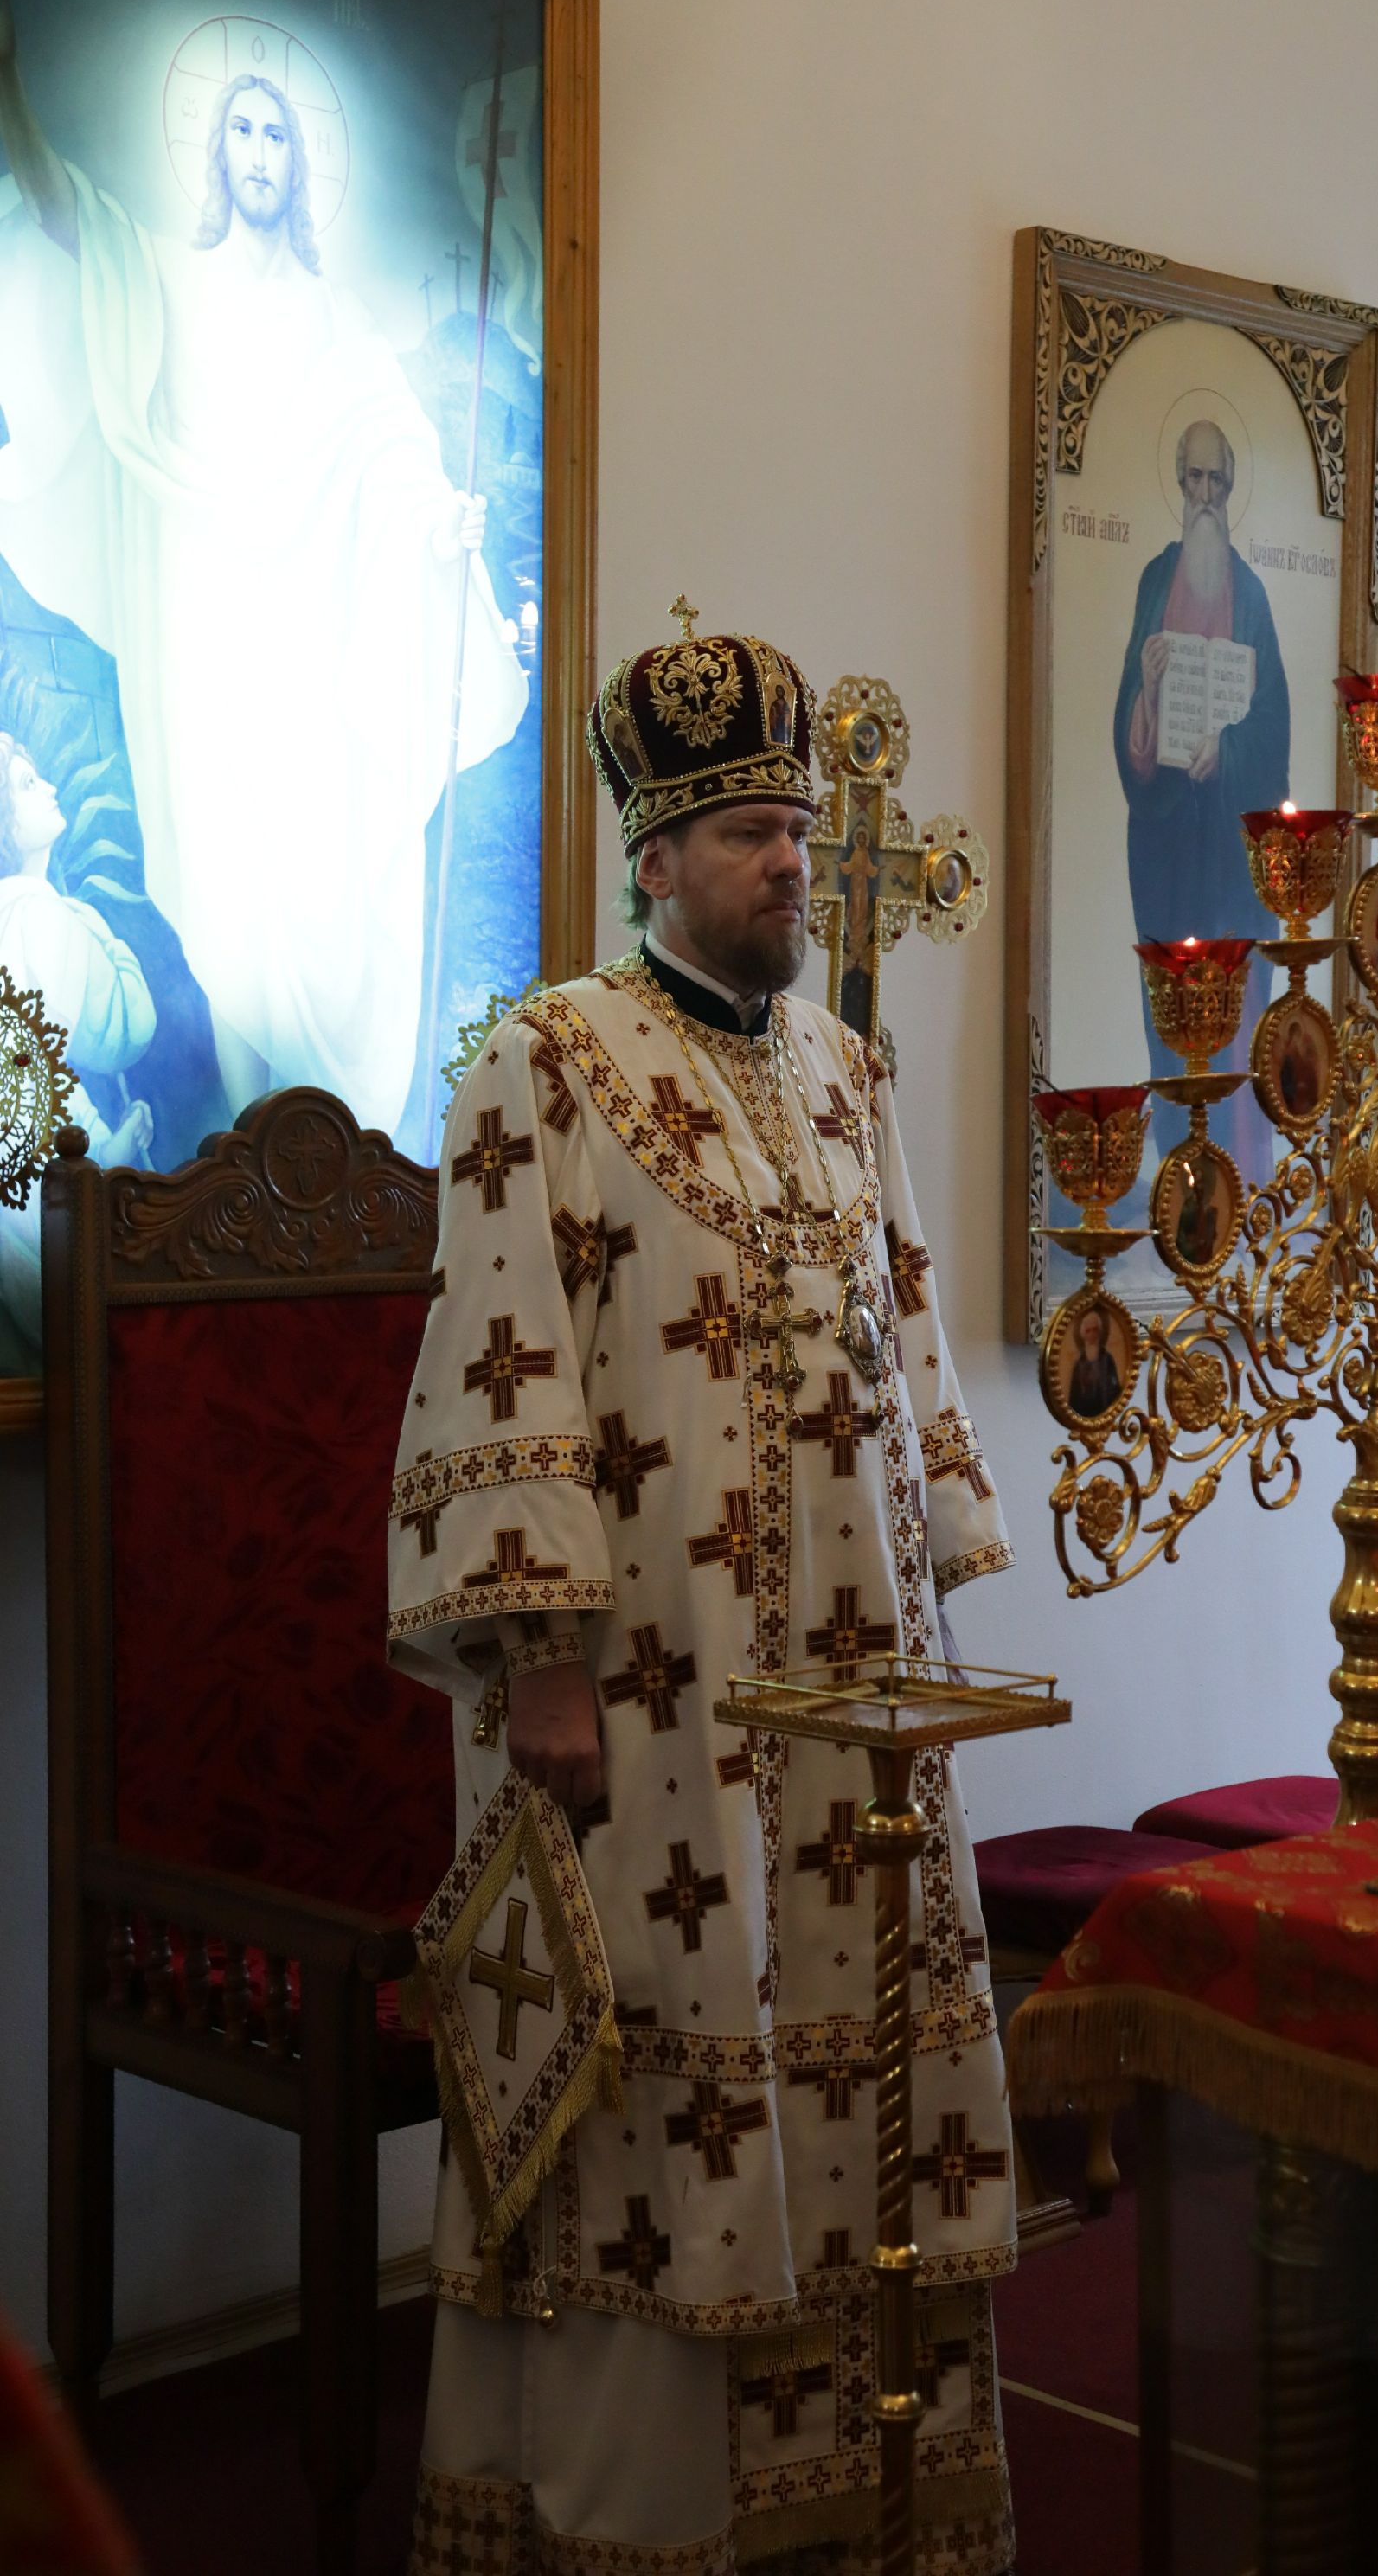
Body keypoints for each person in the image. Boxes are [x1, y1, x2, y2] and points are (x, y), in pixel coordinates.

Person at [388, 619, 1017, 2574]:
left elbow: (906, 1327)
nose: (789, 865)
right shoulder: (545, 1061)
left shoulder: (842, 1068)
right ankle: (633, 2525)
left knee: (863, 2047)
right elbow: (502, 1363)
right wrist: (541, 1661)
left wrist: (937, 1588)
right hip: (647, 1697)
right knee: (656, 2082)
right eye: (751, 833)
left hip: (853, 1688)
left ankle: (861, 2512)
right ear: (655, 855)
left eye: (798, 830)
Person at [0, 0, 528, 1137]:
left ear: (300, 162)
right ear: (213, 153)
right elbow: (69, 225)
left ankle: (342, 1156)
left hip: (319, 667)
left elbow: (395, 459)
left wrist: (438, 530)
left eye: (276, 133)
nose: (257, 152)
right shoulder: (168, 282)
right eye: (238, 129)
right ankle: (252, 1150)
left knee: (331, 896)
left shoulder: (341, 322)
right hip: (213, 652)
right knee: (230, 912)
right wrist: (15, 109)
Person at [1115, 420, 1290, 1157]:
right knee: (1171, 1018)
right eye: (1196, 478)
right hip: (1167, 853)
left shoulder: (1251, 594)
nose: (1207, 494)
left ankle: (1238, 1178)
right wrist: (1149, 690)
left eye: (1218, 480)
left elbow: (1274, 730)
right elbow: (1127, 730)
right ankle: (1178, 1175)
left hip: (1231, 860)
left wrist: (1230, 751)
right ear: (1180, 482)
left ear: (1231, 487)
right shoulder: (1156, 581)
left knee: (1236, 1023)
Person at [0, 734, 154, 1361]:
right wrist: (103, 935)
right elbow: (126, 1027)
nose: (51, 789)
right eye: (27, 784)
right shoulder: (41, 917)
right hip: (34, 1201)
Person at [1067, 1304, 1122, 1417]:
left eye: (1095, 1330)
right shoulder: (1078, 1364)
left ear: (1100, 1332)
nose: (1092, 1335)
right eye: (1088, 1331)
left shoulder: (1107, 1360)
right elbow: (1073, 1399)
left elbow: (1115, 1391)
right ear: (1083, 1334)